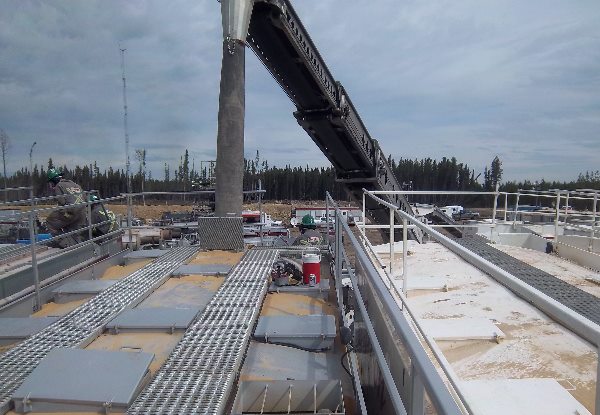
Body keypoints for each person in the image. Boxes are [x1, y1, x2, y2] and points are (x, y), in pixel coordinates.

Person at [45, 168, 86, 247]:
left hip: (71, 212)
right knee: (74, 231)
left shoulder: (58, 186)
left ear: (53, 181)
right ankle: (78, 246)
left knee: (50, 222)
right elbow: (85, 197)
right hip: (82, 212)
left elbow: (62, 202)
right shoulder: (74, 184)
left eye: (50, 182)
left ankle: (65, 244)